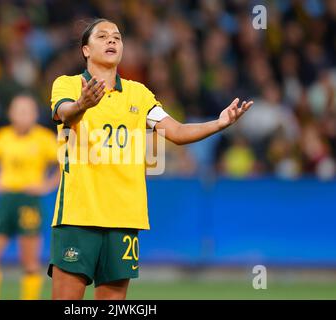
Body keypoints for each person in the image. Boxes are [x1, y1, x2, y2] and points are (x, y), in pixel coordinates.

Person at [48, 18, 253, 300]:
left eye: (117, 37)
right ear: (85, 49)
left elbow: (177, 131)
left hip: (124, 218)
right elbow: (64, 112)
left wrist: (218, 124)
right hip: (78, 216)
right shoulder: (68, 85)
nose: (111, 41)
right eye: (103, 36)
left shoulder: (139, 94)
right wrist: (83, 104)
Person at [0, 95, 60, 300]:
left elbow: (63, 164)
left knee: (30, 263)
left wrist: (46, 186)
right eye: (19, 110)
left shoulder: (44, 138)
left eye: (28, 110)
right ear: (11, 114)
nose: (23, 115)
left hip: (29, 202)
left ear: (35, 115)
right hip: (6, 200)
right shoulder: (3, 136)